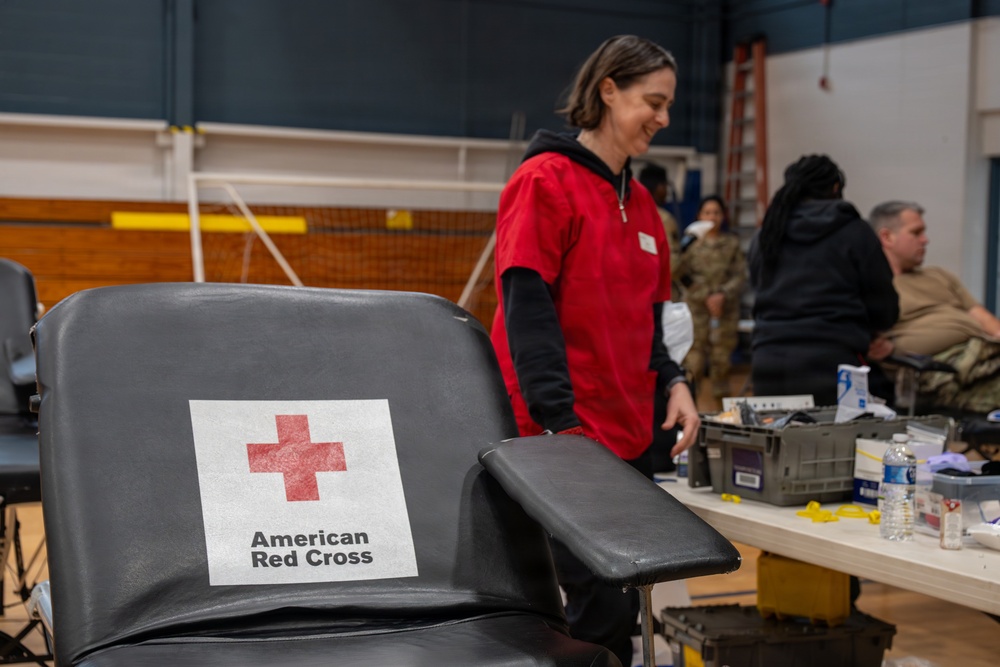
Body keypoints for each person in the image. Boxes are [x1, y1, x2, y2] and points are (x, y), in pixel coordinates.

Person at [489, 34, 700, 666]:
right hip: (562, 432)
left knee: (620, 605)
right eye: (652, 102)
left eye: (668, 106)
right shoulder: (543, 181)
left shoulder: (642, 206)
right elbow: (528, 311)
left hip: (626, 433)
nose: (662, 119)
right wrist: (560, 423)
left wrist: (677, 382)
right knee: (597, 608)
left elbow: (654, 321)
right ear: (608, 90)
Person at [748, 155, 898, 406]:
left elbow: (757, 288)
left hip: (768, 364)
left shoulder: (766, 234)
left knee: (778, 444)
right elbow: (883, 307)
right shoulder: (855, 231)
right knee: (838, 444)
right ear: (836, 188)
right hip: (833, 364)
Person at [870, 200, 1000, 412]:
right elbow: (875, 347)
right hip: (940, 372)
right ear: (887, 237)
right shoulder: (875, 287)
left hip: (985, 354)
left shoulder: (939, 276)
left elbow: (984, 319)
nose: (925, 239)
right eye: (916, 232)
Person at [674, 195, 746, 400]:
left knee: (721, 363)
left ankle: (722, 418)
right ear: (699, 215)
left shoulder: (731, 244)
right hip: (696, 311)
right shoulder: (689, 244)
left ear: (723, 216)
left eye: (716, 213)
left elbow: (740, 275)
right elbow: (678, 273)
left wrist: (722, 295)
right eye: (707, 212)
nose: (712, 217)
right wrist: (706, 296)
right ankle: (688, 414)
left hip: (724, 312)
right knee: (692, 365)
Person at [638, 162, 681, 284]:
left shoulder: (627, 214)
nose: (666, 192)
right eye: (665, 186)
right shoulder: (663, 219)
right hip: (658, 290)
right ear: (660, 187)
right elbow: (672, 265)